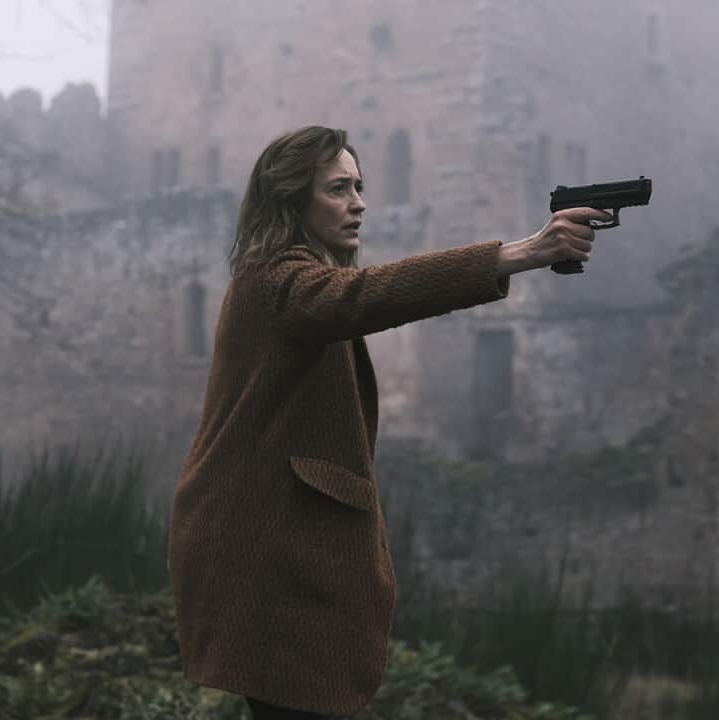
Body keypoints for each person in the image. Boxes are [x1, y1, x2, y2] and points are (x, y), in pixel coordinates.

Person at [167, 126, 611, 719]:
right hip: (265, 563)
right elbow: (365, 296)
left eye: (359, 186)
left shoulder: (288, 284)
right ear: (292, 200)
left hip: (272, 554)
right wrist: (520, 252)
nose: (360, 203)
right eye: (338, 189)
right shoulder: (277, 285)